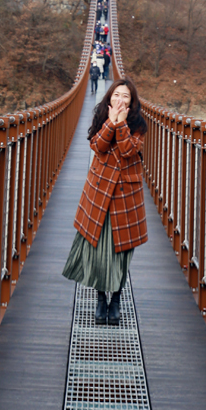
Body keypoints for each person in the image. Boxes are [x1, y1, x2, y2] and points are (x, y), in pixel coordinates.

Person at [63, 79, 147, 325]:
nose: (121, 100)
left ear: (132, 103)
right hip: (100, 192)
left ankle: (117, 300)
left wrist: (121, 124)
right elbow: (97, 145)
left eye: (126, 97)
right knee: (97, 248)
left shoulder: (138, 124)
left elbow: (127, 150)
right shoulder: (101, 116)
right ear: (110, 97)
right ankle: (101, 299)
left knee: (121, 251)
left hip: (125, 195)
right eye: (117, 95)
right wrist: (111, 121)